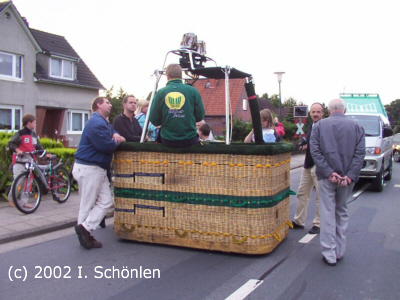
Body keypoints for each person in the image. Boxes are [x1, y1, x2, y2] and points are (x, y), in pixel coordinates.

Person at [310, 98, 365, 266]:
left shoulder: (319, 126)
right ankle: (340, 251)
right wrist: (349, 175)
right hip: (347, 179)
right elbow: (360, 153)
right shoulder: (357, 127)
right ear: (345, 110)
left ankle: (329, 253)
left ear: (328, 111)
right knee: (341, 210)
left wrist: (329, 172)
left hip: (327, 177)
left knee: (327, 212)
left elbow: (315, 150)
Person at [73, 96, 125, 250]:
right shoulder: (96, 122)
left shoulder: (101, 121)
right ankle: (85, 234)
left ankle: (85, 229)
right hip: (90, 168)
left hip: (96, 168)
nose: (110, 105)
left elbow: (111, 131)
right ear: (98, 105)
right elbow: (105, 146)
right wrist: (117, 140)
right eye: (107, 102)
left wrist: (115, 134)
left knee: (106, 201)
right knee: (88, 204)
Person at [149, 64, 205, 147]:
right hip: (189, 139)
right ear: (181, 76)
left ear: (167, 76)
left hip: (167, 139)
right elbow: (200, 116)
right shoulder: (193, 91)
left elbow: (154, 119)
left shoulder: (160, 93)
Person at [292, 103, 324, 234]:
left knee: (319, 197)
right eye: (313, 112)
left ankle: (319, 223)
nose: (315, 114)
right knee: (301, 193)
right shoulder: (311, 126)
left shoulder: (324, 127)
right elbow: (310, 140)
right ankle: (299, 221)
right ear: (310, 113)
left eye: (318, 112)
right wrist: (305, 142)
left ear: (323, 113)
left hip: (319, 165)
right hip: (308, 164)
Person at [8, 113, 51, 207]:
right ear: (28, 123)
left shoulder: (33, 135)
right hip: (20, 161)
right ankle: (11, 199)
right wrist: (18, 150)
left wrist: (45, 153)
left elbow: (38, 146)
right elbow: (11, 143)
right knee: (18, 181)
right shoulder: (20, 133)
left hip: (30, 161)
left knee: (28, 182)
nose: (35, 124)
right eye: (34, 122)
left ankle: (24, 202)